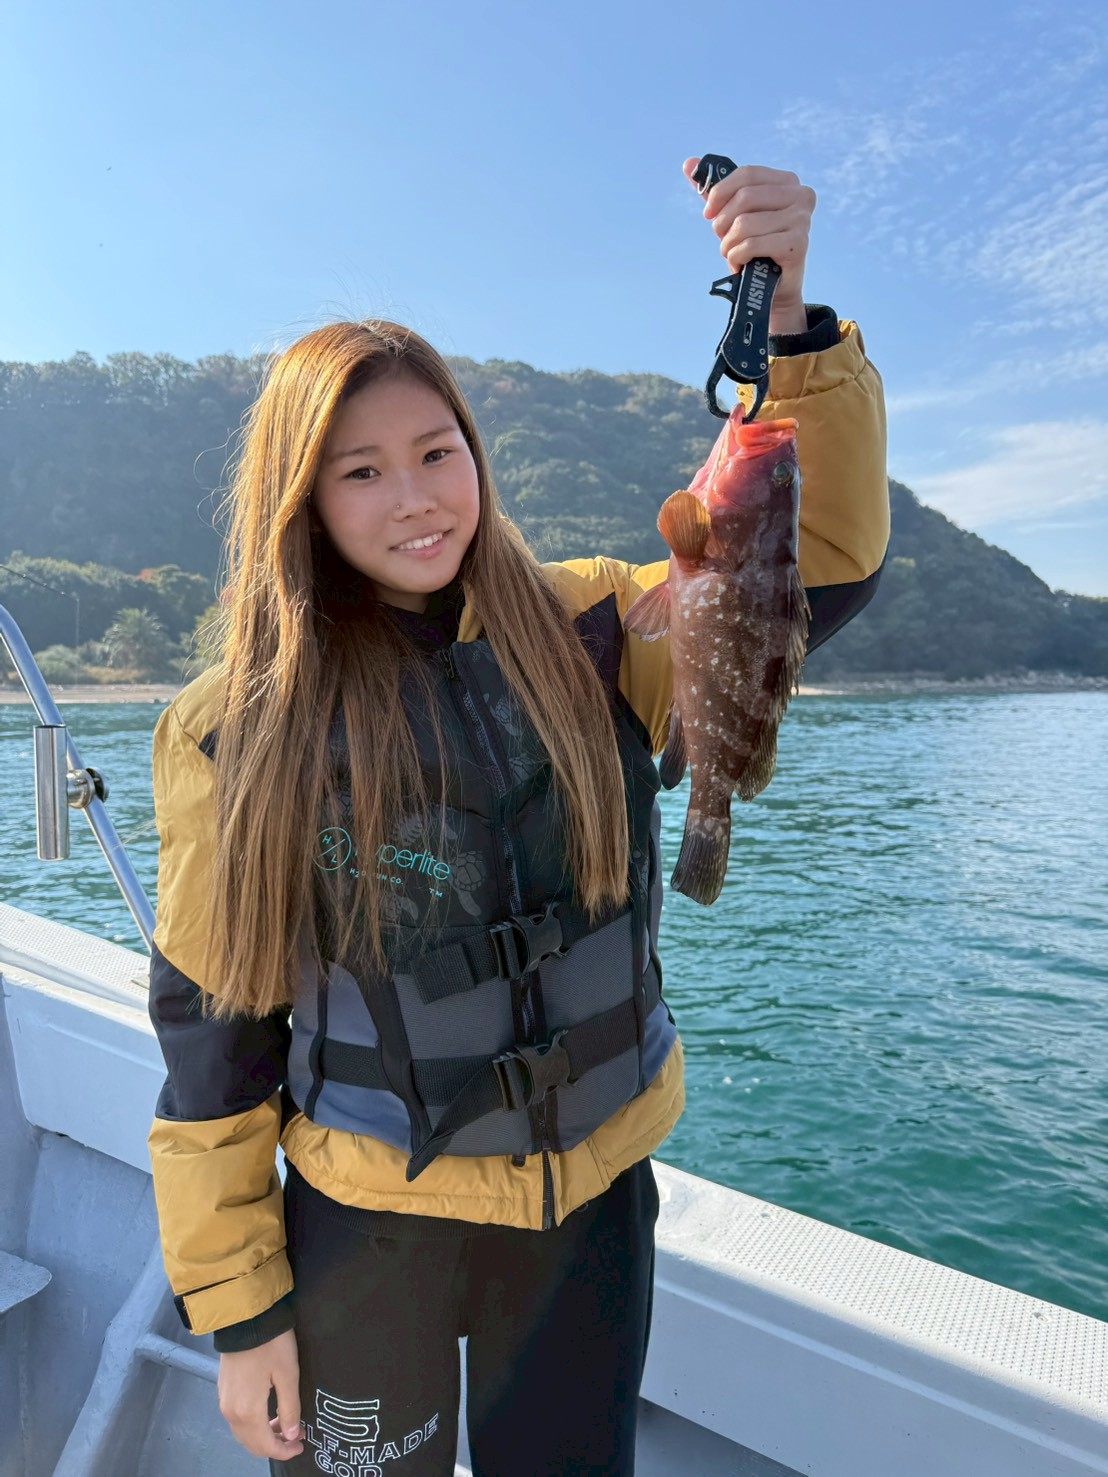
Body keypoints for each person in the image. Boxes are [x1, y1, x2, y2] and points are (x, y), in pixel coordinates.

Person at [146, 158, 889, 1476]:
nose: (416, 497)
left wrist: (790, 334)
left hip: (587, 1214)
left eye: (439, 453)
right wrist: (243, 1311)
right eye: (362, 471)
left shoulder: (597, 623)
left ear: (478, 457)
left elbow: (813, 564)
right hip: (367, 1223)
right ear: (300, 499)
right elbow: (215, 1038)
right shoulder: (236, 723)